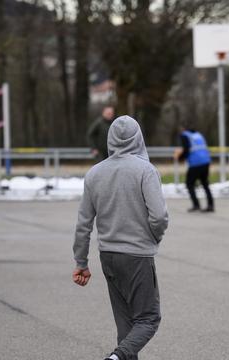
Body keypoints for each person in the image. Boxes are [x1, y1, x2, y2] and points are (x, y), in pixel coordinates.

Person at [73, 115, 169, 360]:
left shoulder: (95, 174)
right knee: (148, 319)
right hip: (137, 255)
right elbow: (158, 216)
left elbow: (83, 224)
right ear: (139, 138)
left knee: (126, 326)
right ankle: (115, 358)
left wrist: (81, 263)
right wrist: (153, 239)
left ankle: (120, 356)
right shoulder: (146, 171)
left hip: (108, 256)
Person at [175, 125, 214, 212]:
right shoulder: (198, 135)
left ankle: (196, 205)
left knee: (189, 184)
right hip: (206, 161)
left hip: (196, 163)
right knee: (205, 183)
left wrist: (180, 158)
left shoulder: (184, 135)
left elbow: (187, 149)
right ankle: (211, 205)